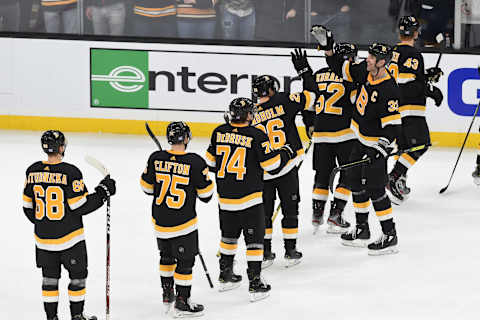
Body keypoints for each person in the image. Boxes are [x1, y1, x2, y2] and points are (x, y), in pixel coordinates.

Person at [313, 25, 402, 255]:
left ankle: (389, 234)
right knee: (354, 183)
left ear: (383, 62)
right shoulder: (365, 70)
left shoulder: (389, 89)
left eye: (373, 57)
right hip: (359, 140)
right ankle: (362, 229)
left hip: (373, 146)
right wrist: (327, 47)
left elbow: (393, 127)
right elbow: (339, 68)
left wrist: (379, 149)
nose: (368, 59)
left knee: (375, 190)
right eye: (369, 55)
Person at [206, 97, 294, 301]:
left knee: (228, 237)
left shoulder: (218, 132)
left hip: (226, 199)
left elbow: (210, 163)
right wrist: (285, 153)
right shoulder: (256, 134)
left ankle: (225, 274)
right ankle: (255, 281)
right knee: (254, 240)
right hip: (250, 199)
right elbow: (272, 166)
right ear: (247, 115)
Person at [23, 130, 116, 320]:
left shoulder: (32, 171)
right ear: (62, 147)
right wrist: (103, 191)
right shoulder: (70, 172)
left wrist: (45, 224)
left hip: (43, 240)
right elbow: (80, 206)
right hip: (70, 240)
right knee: (78, 276)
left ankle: (51, 318)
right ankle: (77, 316)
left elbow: (27, 208)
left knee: (49, 279)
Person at [140, 122, 213, 317]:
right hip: (184, 224)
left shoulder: (156, 158)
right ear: (187, 138)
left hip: (160, 222)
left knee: (166, 257)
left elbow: (147, 189)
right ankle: (182, 301)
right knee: (185, 262)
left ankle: (167, 293)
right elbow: (206, 196)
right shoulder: (196, 162)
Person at [291, 44, 357, 235]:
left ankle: (317, 214)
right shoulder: (351, 76)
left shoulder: (318, 75)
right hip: (346, 134)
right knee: (348, 175)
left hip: (321, 135)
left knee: (321, 175)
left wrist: (310, 124)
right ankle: (336, 214)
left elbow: (308, 102)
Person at [250, 75, 315, 268]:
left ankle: (266, 251)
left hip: (263, 172)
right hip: (286, 168)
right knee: (290, 211)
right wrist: (305, 72)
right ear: (271, 90)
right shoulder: (284, 100)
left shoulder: (250, 113)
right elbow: (312, 97)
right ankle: (290, 250)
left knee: (264, 214)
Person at [386, 15, 443, 204]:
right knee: (420, 145)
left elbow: (403, 78)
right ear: (416, 33)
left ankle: (398, 181)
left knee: (405, 147)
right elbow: (407, 84)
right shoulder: (413, 54)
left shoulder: (391, 52)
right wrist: (431, 90)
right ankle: (394, 177)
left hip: (393, 109)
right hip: (410, 109)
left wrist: (425, 77)